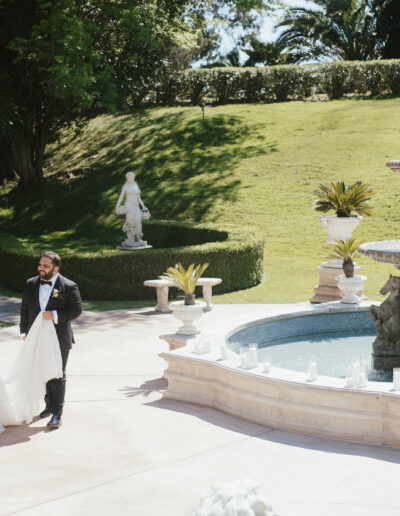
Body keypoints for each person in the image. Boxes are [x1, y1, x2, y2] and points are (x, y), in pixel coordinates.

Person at [19, 251, 82, 429]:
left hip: (59, 337)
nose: (41, 268)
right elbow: (24, 309)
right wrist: (24, 331)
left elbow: (76, 310)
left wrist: (54, 314)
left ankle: (57, 413)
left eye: (46, 266)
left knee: (57, 374)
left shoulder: (69, 286)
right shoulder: (30, 284)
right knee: (43, 372)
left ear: (56, 268)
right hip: (36, 337)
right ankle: (48, 406)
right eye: (40, 264)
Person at [115, 171, 148, 244]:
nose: (130, 178)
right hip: (129, 207)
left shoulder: (136, 185)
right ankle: (131, 239)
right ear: (127, 178)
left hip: (136, 207)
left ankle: (138, 238)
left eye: (132, 177)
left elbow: (139, 198)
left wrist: (143, 206)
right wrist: (117, 206)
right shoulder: (125, 186)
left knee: (138, 221)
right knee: (130, 222)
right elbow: (121, 197)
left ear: (134, 177)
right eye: (129, 177)